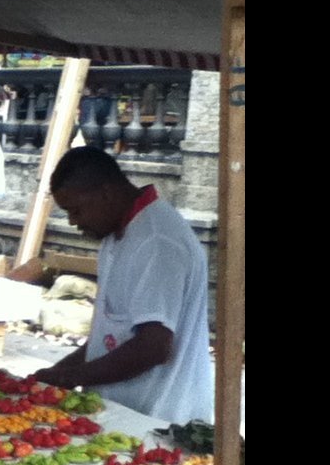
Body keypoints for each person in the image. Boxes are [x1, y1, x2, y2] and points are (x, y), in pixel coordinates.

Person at [32, 146, 213, 423]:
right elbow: (109, 339)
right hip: (120, 413)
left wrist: (69, 377)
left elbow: (152, 348)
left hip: (159, 417)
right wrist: (53, 375)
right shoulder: (116, 236)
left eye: (76, 210)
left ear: (105, 193)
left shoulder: (156, 241)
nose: (73, 222)